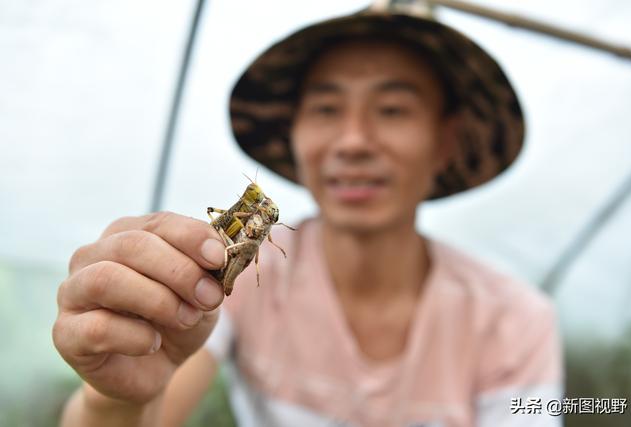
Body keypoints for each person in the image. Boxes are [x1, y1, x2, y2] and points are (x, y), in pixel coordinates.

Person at [53, 4, 564, 427]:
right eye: (325, 109)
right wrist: (116, 399)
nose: (354, 141)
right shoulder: (227, 288)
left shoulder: (517, 321)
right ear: (294, 134)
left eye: (392, 110)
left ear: (446, 141)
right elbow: (146, 397)